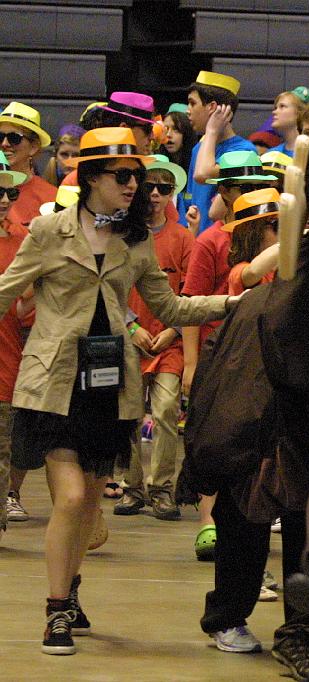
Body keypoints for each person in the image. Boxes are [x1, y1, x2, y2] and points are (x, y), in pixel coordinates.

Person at [0, 127, 235, 655]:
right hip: (54, 382)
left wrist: (231, 303)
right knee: (75, 497)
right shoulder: (49, 233)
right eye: (124, 176)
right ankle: (56, 612)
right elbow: (5, 292)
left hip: (112, 387)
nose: (137, 186)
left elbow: (172, 308)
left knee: (87, 509)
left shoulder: (136, 240)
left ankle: (72, 587)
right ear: (89, 178)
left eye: (141, 177)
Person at [180, 150, 276, 560]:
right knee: (219, 447)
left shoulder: (288, 262)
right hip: (225, 363)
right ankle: (210, 523)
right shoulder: (219, 249)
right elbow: (191, 301)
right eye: (275, 226)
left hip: (269, 372)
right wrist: (189, 362)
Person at [113, 155, 192, 522]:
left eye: (165, 188)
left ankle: (162, 490)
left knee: (163, 412)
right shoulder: (123, 237)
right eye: (150, 187)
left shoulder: (183, 238)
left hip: (169, 341)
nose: (157, 194)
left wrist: (173, 331)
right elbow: (109, 290)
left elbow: (191, 292)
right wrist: (131, 327)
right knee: (128, 415)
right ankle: (133, 488)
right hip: (130, 337)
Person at [0, 152, 31, 545]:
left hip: (6, 360)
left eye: (10, 192)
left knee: (2, 449)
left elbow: (25, 305)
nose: (6, 200)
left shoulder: (23, 240)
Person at [185, 70, 257, 234]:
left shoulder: (244, 151)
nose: (188, 110)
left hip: (223, 243)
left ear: (212, 108)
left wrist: (211, 131)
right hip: (198, 241)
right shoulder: (199, 148)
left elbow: (202, 175)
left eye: (192, 103)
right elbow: (190, 199)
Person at [0, 102, 57, 230]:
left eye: (14, 138)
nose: (4, 143)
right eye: (0, 137)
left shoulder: (51, 197)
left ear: (34, 147)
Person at [161, 106, 198, 217]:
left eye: (176, 130)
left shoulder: (197, 166)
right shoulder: (157, 162)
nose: (169, 135)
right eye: (165, 129)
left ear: (187, 134)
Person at [267, 90, 307, 158]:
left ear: (300, 113)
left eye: (282, 106)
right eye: (276, 108)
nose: (274, 112)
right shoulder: (271, 155)